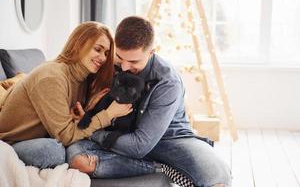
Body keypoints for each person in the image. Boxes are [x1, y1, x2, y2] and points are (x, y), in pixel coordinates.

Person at [69, 16, 232, 186]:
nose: (124, 67)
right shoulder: (108, 60)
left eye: (133, 61)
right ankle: (159, 169)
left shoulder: (168, 82)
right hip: (119, 137)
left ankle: (168, 166)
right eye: (120, 57)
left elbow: (140, 146)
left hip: (169, 141)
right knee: (78, 161)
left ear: (151, 52)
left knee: (218, 177)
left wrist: (92, 131)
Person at [0, 21, 133, 169]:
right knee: (53, 151)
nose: (103, 58)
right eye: (98, 49)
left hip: (44, 135)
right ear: (79, 44)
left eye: (106, 53)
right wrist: (107, 115)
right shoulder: (52, 77)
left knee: (82, 144)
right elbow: (65, 136)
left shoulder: (82, 77)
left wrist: (88, 108)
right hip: (11, 143)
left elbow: (69, 122)